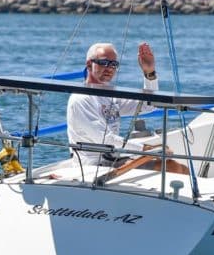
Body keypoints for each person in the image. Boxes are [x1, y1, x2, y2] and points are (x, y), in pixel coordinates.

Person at [66, 41, 158, 169]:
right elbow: (105, 139)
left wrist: (150, 73)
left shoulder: (110, 95)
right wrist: (145, 149)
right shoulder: (81, 99)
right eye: (104, 63)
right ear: (89, 64)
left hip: (112, 159)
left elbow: (148, 105)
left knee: (170, 163)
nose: (109, 68)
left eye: (114, 64)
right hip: (90, 166)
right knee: (163, 165)